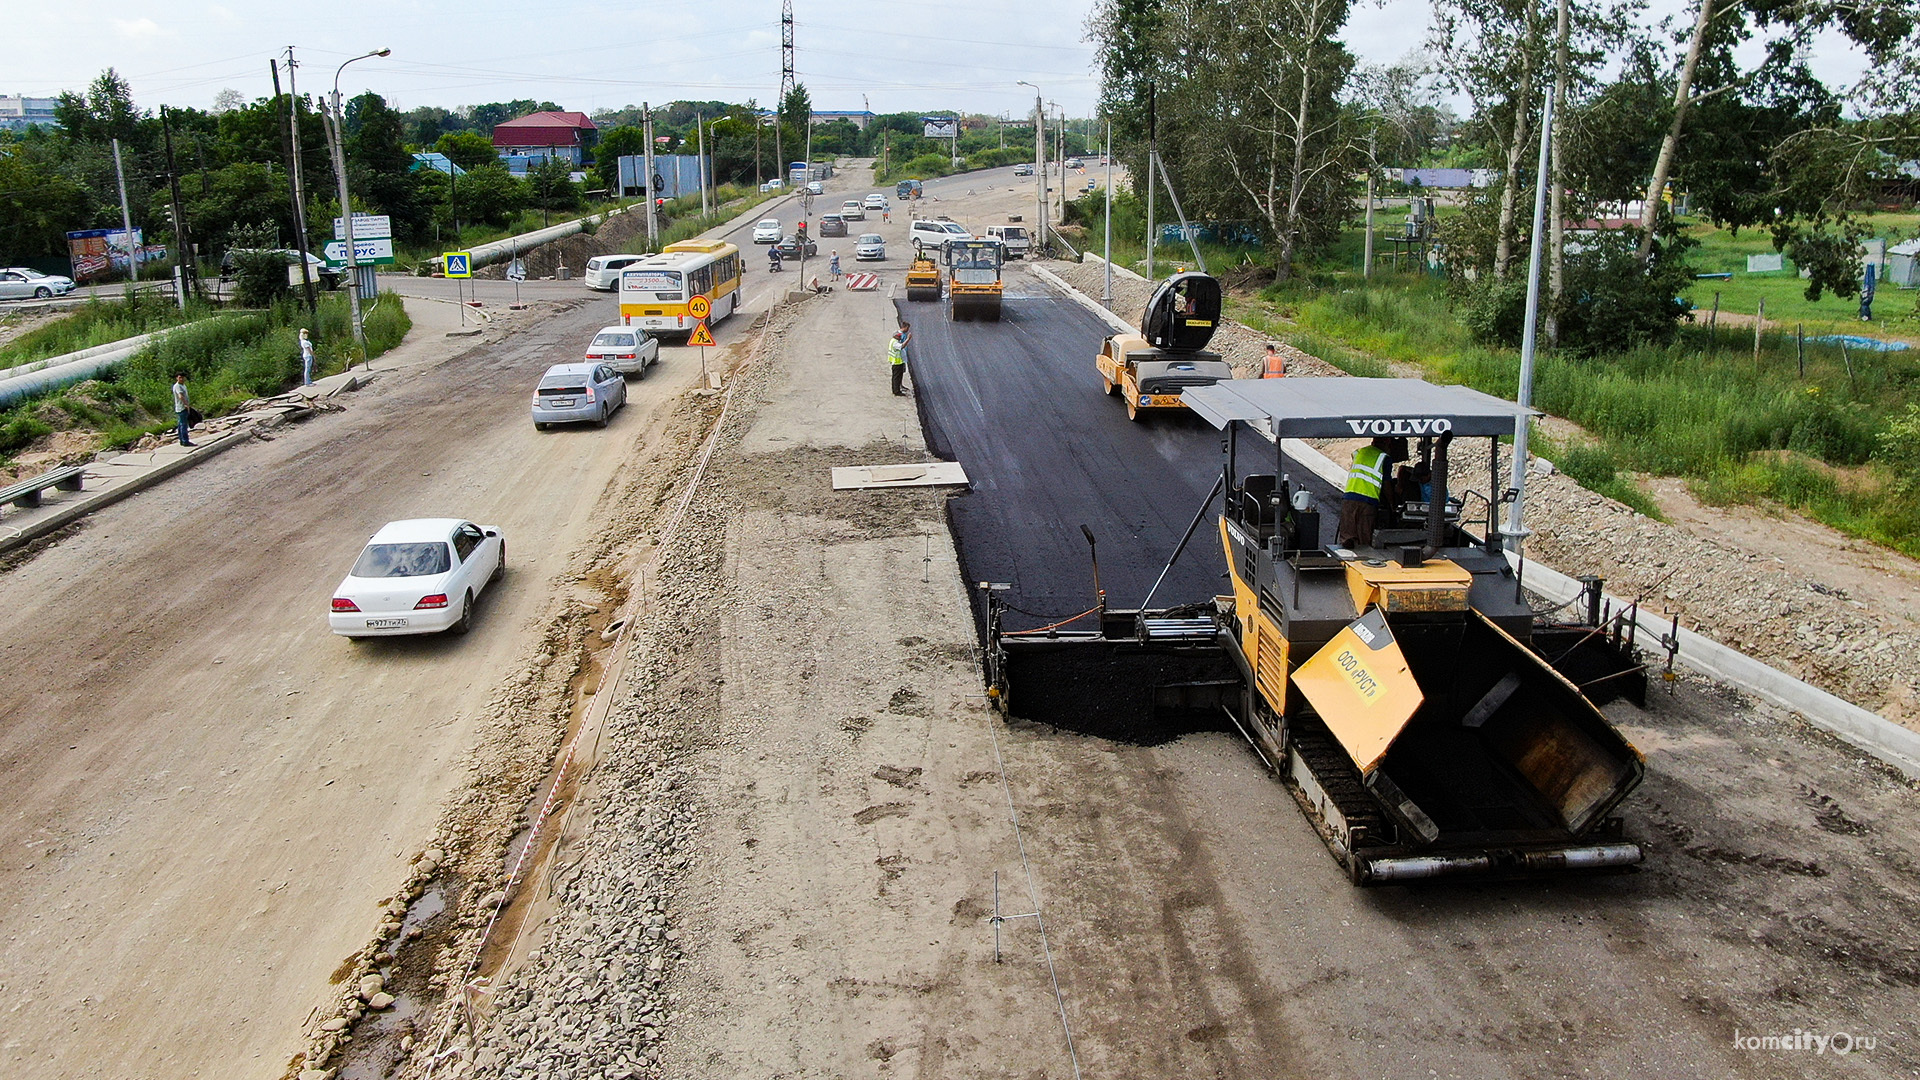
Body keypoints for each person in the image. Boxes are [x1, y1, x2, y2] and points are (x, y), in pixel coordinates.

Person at [1337, 437, 1392, 548]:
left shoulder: (1359, 452)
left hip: (1349, 498)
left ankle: (1344, 560)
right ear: (1387, 443)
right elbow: (1387, 485)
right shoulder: (1384, 458)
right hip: (1368, 501)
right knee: (1364, 539)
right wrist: (1392, 503)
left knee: (1347, 538)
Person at [887, 320, 912, 396]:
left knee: (898, 376)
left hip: (898, 361)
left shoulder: (893, 341)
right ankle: (896, 391)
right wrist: (908, 339)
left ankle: (898, 388)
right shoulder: (895, 343)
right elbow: (902, 346)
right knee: (896, 377)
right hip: (897, 362)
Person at [172, 373, 195, 448]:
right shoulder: (178, 386)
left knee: (181, 424)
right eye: (179, 377)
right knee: (183, 425)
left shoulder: (183, 385)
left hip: (182, 407)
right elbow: (180, 396)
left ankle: (182, 440)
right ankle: (185, 441)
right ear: (177, 378)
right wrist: (186, 405)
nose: (181, 379)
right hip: (181, 408)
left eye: (182, 377)